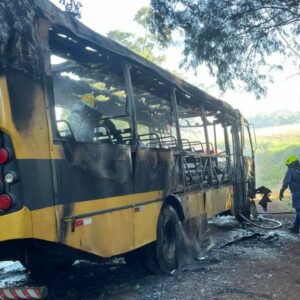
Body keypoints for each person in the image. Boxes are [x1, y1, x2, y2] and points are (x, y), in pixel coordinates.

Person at [279, 155, 300, 233]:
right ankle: (296, 228)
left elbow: (286, 182)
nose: (288, 167)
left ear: (291, 164)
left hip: (297, 193)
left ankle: (296, 228)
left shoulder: (290, 170)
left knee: (299, 210)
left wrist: (281, 191)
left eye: (288, 165)